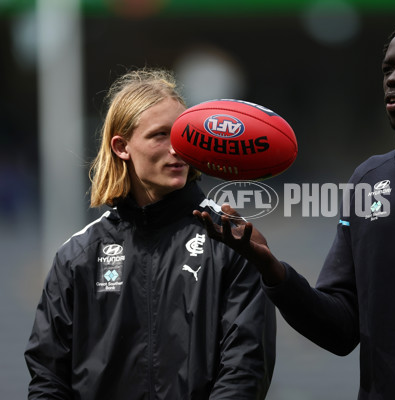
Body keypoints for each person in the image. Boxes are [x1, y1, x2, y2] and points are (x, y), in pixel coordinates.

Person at [197, 14, 395, 399]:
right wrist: (271, 268)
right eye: (388, 68)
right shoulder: (368, 178)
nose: (394, 78)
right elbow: (340, 329)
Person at [24, 68, 276, 399]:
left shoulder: (231, 242)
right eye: (160, 135)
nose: (177, 149)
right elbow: (47, 378)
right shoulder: (77, 256)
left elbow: (245, 369)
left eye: (183, 135)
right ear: (121, 147)